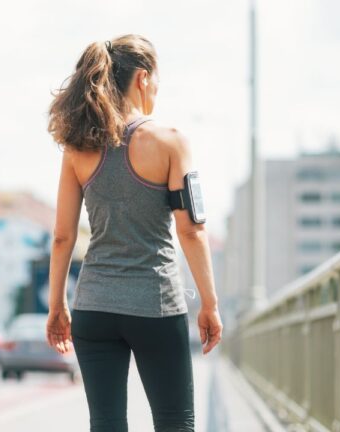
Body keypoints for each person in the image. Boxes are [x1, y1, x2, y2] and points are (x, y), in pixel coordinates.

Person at [44, 34, 223, 432]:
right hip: (155, 306)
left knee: (106, 424)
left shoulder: (78, 147)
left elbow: (62, 236)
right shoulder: (171, 142)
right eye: (157, 79)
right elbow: (191, 231)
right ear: (143, 78)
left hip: (94, 306)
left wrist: (57, 304)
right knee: (176, 422)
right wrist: (209, 303)